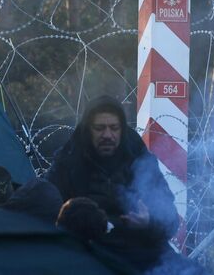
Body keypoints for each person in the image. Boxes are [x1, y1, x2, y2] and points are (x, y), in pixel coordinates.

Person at [46, 96, 179, 271]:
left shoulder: (139, 159)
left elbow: (171, 221)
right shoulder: (68, 162)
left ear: (122, 129)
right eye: (99, 128)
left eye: (114, 128)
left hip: (140, 253)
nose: (107, 135)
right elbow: (48, 214)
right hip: (88, 253)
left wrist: (149, 222)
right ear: (88, 130)